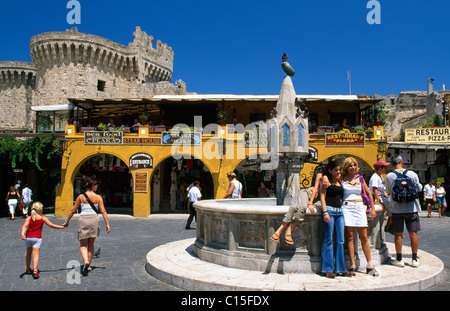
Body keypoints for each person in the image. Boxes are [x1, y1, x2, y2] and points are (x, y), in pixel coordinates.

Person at [63, 178, 111, 276]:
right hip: (94, 219)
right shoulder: (98, 197)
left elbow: (73, 210)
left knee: (83, 244)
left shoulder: (81, 197)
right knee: (91, 244)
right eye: (96, 185)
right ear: (92, 186)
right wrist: (107, 223)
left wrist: (67, 221)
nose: (97, 186)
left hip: (84, 219)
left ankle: (85, 262)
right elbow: (103, 211)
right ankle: (88, 265)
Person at [341, 157, 378, 276]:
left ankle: (369, 263)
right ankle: (352, 263)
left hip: (359, 207)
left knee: (364, 237)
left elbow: (368, 193)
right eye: (350, 165)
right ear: (346, 167)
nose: (352, 167)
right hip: (347, 207)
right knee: (350, 236)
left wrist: (372, 207)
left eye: (354, 165)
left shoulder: (360, 178)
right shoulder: (342, 179)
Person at [385, 155, 423, 268]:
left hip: (397, 210)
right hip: (412, 209)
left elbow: (387, 190)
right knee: (413, 233)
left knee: (398, 234)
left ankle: (399, 259)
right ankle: (414, 259)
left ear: (392, 164)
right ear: (402, 162)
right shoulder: (412, 174)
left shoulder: (390, 176)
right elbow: (419, 188)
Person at [319, 159, 349, 278]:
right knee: (328, 239)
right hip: (330, 211)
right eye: (335, 170)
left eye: (339, 169)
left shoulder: (339, 181)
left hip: (340, 212)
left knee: (340, 240)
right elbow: (322, 196)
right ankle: (327, 269)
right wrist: (325, 212)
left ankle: (341, 268)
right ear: (330, 170)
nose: (338, 172)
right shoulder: (325, 181)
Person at [21, 202, 65, 279]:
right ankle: (35, 271)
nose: (42, 210)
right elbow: (52, 225)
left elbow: (24, 226)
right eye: (41, 208)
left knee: (28, 253)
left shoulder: (29, 217)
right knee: (35, 254)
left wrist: (22, 234)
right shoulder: (42, 218)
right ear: (39, 210)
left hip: (28, 238)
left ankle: (28, 268)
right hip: (37, 238)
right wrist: (61, 227)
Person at [369, 160, 393, 234]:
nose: (386, 169)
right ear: (379, 168)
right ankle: (388, 227)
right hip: (378, 197)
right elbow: (374, 189)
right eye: (384, 168)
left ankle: (389, 225)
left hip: (382, 196)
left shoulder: (380, 176)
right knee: (394, 210)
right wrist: (379, 202)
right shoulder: (375, 177)